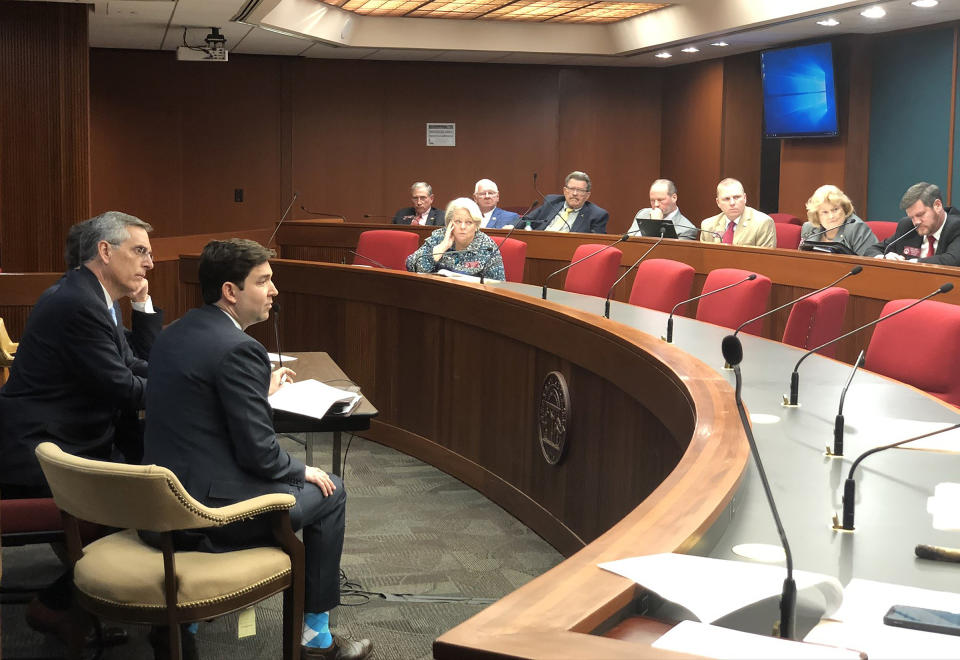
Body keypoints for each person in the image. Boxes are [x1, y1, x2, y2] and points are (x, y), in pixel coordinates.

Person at [142, 239, 373, 660]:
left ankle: (185, 622)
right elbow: (260, 456)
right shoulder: (239, 348)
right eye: (264, 281)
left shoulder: (175, 333)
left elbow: (202, 405)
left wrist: (256, 393)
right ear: (231, 291)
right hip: (210, 514)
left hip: (160, 501)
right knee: (331, 489)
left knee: (313, 483)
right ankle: (316, 639)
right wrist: (299, 469)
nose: (274, 290)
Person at [0, 210, 158, 643]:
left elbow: (132, 364)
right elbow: (124, 387)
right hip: (39, 455)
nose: (150, 263)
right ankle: (56, 606)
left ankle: (88, 601)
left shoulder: (92, 297)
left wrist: (185, 375)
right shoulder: (78, 304)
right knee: (149, 499)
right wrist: (193, 390)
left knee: (152, 469)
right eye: (140, 250)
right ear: (105, 252)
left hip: (70, 438)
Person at [405, 198, 506, 279]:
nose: (462, 227)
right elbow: (411, 266)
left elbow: (498, 284)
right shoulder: (439, 237)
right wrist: (441, 248)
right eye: (458, 221)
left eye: (468, 222)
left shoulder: (487, 246)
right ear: (450, 223)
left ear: (476, 225)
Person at [864, 182, 960, 265]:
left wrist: (911, 264)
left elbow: (953, 260)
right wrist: (884, 258)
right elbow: (872, 250)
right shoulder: (907, 226)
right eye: (911, 217)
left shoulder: (956, 226)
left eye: (920, 214)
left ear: (937, 206)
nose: (916, 222)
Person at [799, 184, 877, 255]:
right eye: (825, 212)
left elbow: (869, 264)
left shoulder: (857, 228)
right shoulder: (809, 228)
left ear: (844, 207)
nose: (831, 216)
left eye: (835, 209)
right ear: (817, 215)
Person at [700, 178, 776, 247]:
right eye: (726, 199)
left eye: (736, 197)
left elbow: (765, 260)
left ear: (745, 198)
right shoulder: (708, 225)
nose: (732, 203)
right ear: (718, 202)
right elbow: (703, 259)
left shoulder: (763, 223)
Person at [525, 171, 609, 234]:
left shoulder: (597, 215)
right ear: (565, 191)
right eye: (572, 189)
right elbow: (526, 220)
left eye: (580, 190)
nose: (575, 193)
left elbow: (596, 243)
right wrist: (511, 227)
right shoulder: (551, 202)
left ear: (587, 195)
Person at [628, 179, 698, 240]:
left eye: (660, 200)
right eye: (652, 200)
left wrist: (655, 224)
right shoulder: (643, 214)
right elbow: (628, 241)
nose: (656, 204)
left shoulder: (687, 229)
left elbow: (666, 252)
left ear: (674, 198)